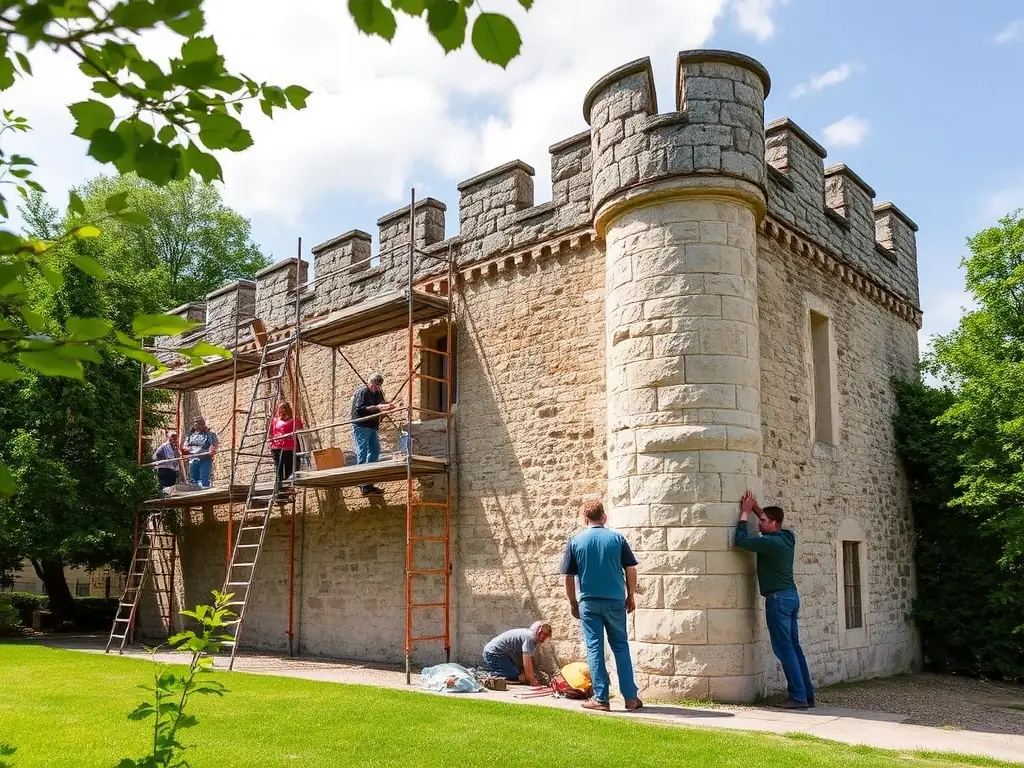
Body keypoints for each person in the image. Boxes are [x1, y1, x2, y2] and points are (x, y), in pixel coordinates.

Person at [560, 500, 642, 712]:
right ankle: (631, 697)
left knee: (595, 648)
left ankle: (601, 698)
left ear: (585, 519)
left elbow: (568, 577)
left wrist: (572, 602)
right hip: (615, 600)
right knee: (620, 646)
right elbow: (631, 569)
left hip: (589, 602)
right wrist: (630, 594)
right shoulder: (617, 538)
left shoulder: (575, 541)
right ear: (604, 517)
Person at [736, 490, 815, 709]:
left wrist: (744, 513)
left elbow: (740, 540)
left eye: (762, 521)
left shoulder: (770, 543)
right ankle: (807, 694)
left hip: (778, 599)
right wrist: (757, 509)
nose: (759, 523)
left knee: (784, 649)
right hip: (791, 596)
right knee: (795, 647)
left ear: (773, 524)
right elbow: (770, 519)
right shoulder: (787, 537)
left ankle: (798, 697)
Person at [351, 373, 396, 496]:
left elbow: (381, 404)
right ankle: (362, 483)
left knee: (375, 452)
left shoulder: (378, 392)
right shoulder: (363, 391)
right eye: (374, 385)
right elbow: (360, 408)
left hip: (372, 426)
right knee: (363, 452)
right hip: (361, 425)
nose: (375, 388)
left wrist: (387, 406)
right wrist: (378, 407)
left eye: (378, 386)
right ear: (369, 382)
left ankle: (369, 483)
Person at [482, 621, 552, 686]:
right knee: (512, 675)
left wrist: (524, 673)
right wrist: (533, 680)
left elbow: (520, 657)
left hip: (500, 653)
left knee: (518, 674)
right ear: (539, 632)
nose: (544, 638)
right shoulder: (530, 638)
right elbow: (527, 659)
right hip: (492, 653)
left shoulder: (529, 635)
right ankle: (486, 675)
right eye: (544, 635)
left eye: (547, 636)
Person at [270, 402, 303, 488]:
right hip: (277, 447)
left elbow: (300, 428)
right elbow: (271, 433)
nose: (283, 411)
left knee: (289, 469)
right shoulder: (275, 421)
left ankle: (287, 488)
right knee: (279, 470)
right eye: (282, 409)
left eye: (285, 409)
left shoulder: (293, 421)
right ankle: (280, 490)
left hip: (289, 448)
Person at [182, 417, 219, 489]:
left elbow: (213, 445)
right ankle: (195, 487)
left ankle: (204, 486)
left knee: (204, 478)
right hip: (193, 458)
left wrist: (211, 450)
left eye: (199, 423)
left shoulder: (209, 434)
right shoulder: (191, 435)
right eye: (196, 423)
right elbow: (186, 447)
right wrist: (187, 453)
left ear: (203, 424)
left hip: (204, 458)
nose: (197, 425)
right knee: (194, 479)